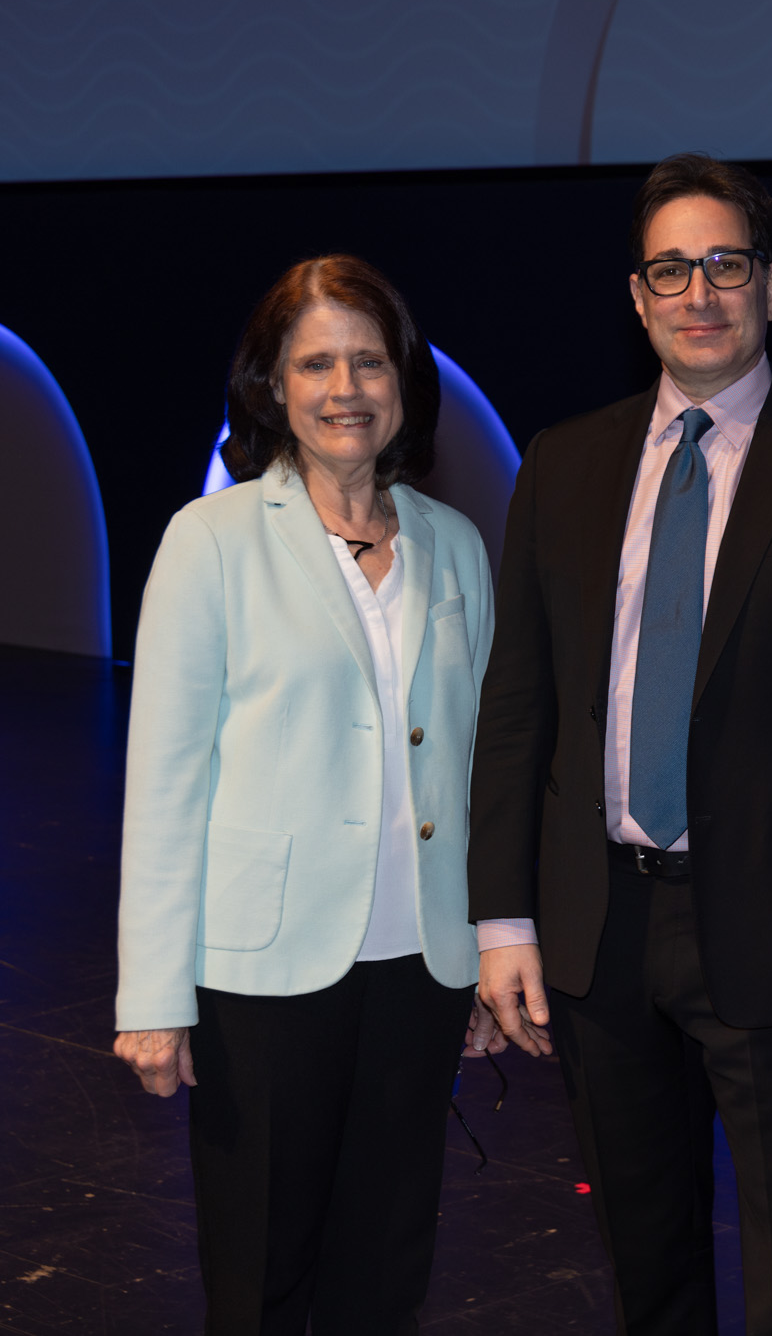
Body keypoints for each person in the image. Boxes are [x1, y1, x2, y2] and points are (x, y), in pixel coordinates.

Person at [465, 153, 772, 1335]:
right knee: (643, 1259)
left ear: (770, 286)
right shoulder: (562, 462)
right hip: (597, 928)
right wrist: (503, 917)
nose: (698, 291)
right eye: (672, 268)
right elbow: (520, 701)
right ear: (636, 294)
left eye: (725, 265)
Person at [113, 253, 496, 1333]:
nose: (346, 388)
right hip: (262, 975)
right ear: (271, 386)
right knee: (263, 1267)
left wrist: (480, 950)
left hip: (418, 962)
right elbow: (166, 777)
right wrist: (151, 995)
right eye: (316, 362)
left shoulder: (453, 545)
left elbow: (474, 764)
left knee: (387, 1262)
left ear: (402, 382)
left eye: (369, 361)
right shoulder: (211, 541)